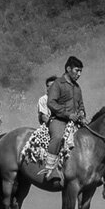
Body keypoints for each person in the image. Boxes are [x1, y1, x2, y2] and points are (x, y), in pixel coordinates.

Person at [41, 56, 86, 184]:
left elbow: (81, 105)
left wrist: (82, 114)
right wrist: (68, 115)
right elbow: (51, 103)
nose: (79, 74)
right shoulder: (57, 84)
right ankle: (50, 170)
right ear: (68, 69)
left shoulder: (77, 87)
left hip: (75, 122)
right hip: (58, 120)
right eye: (77, 70)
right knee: (58, 137)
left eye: (80, 71)